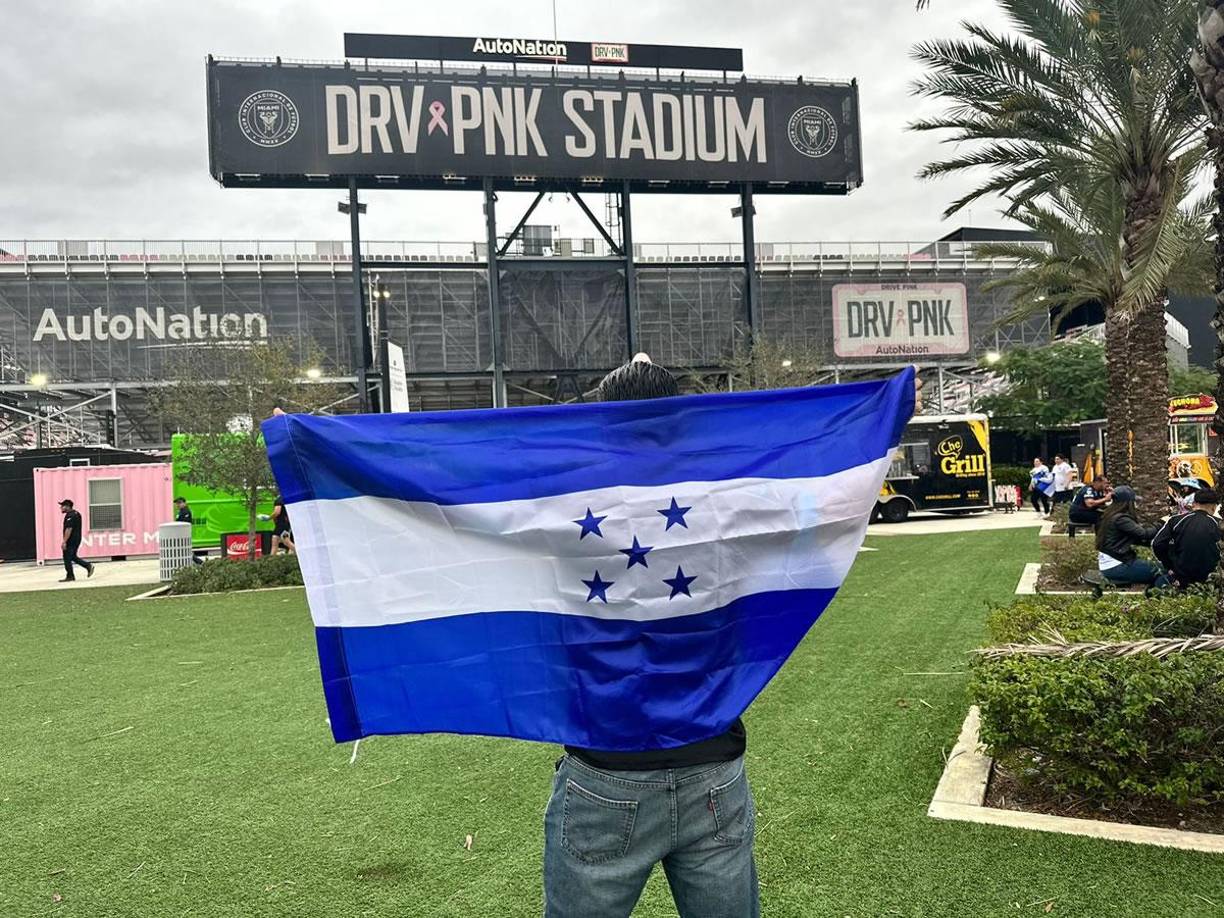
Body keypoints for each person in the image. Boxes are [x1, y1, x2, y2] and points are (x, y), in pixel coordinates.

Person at [543, 354, 759, 918]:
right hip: (712, 762)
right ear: (681, 421)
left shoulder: (565, 509)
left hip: (606, 769)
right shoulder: (721, 504)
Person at [1096, 486, 1170, 589]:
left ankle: (1152, 595)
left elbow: (1136, 538)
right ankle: (1156, 598)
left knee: (1159, 569)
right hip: (1117, 566)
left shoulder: (1111, 515)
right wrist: (1162, 522)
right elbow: (1144, 534)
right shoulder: (1121, 519)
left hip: (1110, 564)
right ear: (1127, 502)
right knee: (1166, 570)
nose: (1136, 505)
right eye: (1134, 501)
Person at [1152, 489, 1223, 587]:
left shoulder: (1176, 521)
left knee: (1156, 583)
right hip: (1211, 581)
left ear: (1194, 504)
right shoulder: (1219, 524)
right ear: (1214, 507)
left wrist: (1170, 566)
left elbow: (1157, 544)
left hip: (1181, 578)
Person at [57, 498, 93, 582]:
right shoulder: (77, 514)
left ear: (68, 506)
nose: (61, 508)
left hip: (71, 540)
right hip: (77, 539)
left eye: (62, 506)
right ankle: (88, 566)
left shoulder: (71, 515)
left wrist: (64, 541)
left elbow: (69, 529)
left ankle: (70, 576)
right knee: (72, 556)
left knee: (66, 557)